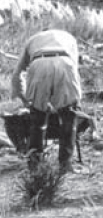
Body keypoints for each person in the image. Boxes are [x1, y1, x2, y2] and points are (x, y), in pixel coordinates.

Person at [11, 29, 82, 172]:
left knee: (38, 117)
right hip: (65, 62)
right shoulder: (68, 37)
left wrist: (25, 99)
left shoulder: (33, 39)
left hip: (39, 63)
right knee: (69, 115)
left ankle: (35, 164)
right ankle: (65, 164)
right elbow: (74, 66)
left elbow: (18, 73)